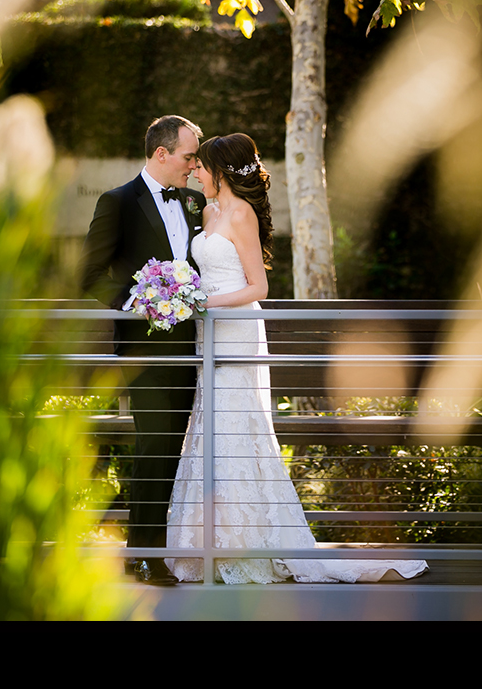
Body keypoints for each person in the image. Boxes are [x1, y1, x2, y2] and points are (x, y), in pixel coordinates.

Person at [166, 133, 428, 583]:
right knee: (209, 423)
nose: (195, 173)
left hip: (235, 329)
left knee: (235, 422)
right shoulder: (208, 211)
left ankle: (246, 544)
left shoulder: (243, 214)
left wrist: (206, 303)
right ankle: (210, 541)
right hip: (206, 333)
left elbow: (258, 288)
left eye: (202, 168)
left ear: (222, 172)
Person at [79, 115, 206, 586]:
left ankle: (162, 547)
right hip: (143, 348)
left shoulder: (195, 201)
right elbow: (89, 274)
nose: (195, 167)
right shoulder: (117, 202)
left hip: (194, 348)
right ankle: (144, 554)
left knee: (176, 447)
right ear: (161, 153)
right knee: (153, 445)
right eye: (190, 157)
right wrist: (140, 301)